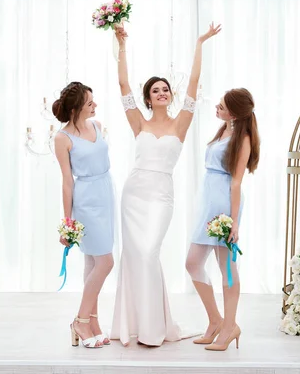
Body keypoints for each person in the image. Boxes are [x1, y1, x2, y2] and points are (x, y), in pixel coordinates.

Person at [110, 23, 221, 346]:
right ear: (148, 98)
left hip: (161, 195)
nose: (162, 93)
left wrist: (200, 42)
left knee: (148, 252)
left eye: (165, 89)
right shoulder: (138, 122)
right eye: (156, 90)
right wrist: (121, 44)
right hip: (134, 193)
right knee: (136, 256)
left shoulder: (180, 122)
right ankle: (140, 325)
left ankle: (155, 326)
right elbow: (122, 83)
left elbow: (195, 83)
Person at [185, 88, 260, 351]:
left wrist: (234, 220)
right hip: (209, 202)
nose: (216, 107)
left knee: (227, 267)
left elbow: (237, 181)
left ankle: (229, 327)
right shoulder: (224, 131)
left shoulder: (244, 138)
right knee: (193, 263)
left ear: (235, 112)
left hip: (224, 205)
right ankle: (216, 321)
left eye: (222, 105)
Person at [54, 82, 115, 348]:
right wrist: (67, 222)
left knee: (93, 264)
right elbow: (67, 181)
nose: (95, 106)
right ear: (77, 107)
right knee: (105, 262)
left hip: (106, 193)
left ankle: (93, 321)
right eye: (90, 103)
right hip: (86, 200)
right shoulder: (62, 138)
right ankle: (80, 320)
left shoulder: (97, 126)